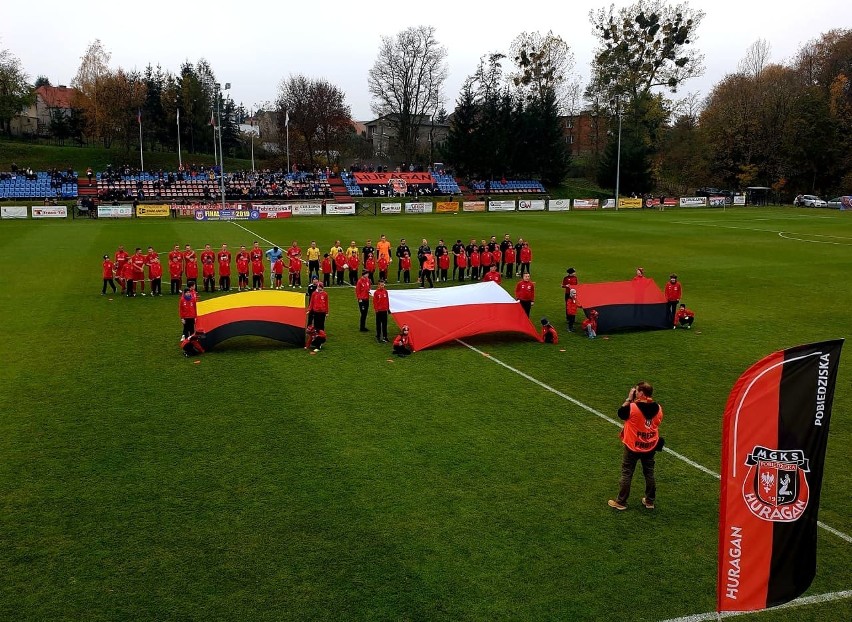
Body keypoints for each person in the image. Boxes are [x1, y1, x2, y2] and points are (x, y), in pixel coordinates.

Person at [608, 381, 664, 511]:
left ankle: (621, 502)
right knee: (649, 472)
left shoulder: (632, 407)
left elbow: (621, 413)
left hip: (633, 446)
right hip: (650, 445)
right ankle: (649, 501)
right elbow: (656, 423)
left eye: (637, 391)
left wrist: (629, 399)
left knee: (627, 473)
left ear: (642, 393)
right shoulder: (658, 408)